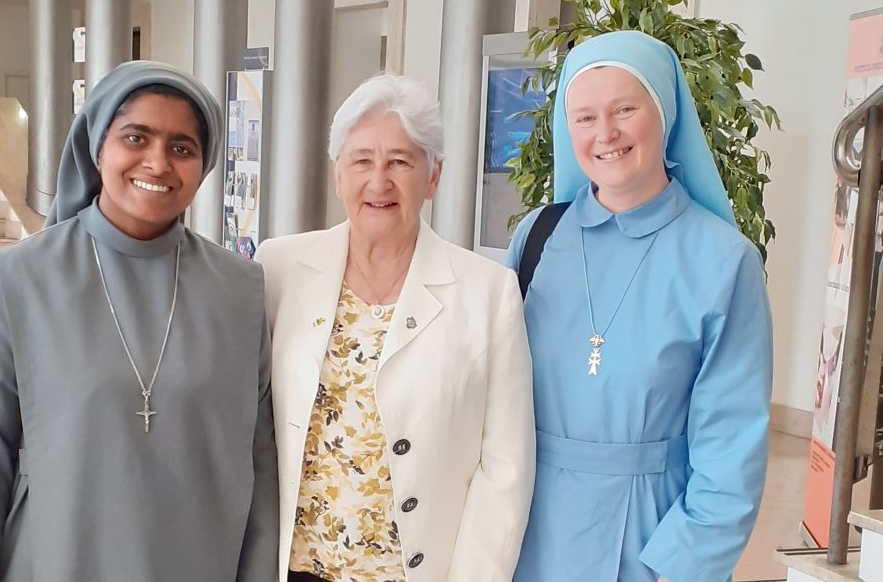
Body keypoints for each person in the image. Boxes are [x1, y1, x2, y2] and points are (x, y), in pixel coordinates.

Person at [0, 61, 277, 582]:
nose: (157, 162)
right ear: (97, 146)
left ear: (203, 166)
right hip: (55, 562)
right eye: (136, 137)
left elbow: (260, 471)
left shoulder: (240, 290)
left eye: (182, 147)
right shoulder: (22, 280)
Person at [508, 31, 773, 582]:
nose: (605, 133)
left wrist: (682, 565)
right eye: (583, 117)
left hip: (648, 543)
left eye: (625, 108)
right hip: (521, 534)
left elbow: (730, 445)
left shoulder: (725, 261)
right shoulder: (536, 238)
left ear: (665, 112)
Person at [255, 74, 535, 582]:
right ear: (338, 174)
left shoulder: (488, 292)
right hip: (295, 570)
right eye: (361, 160)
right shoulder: (279, 268)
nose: (379, 181)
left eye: (400, 162)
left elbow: (506, 471)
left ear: (433, 177)